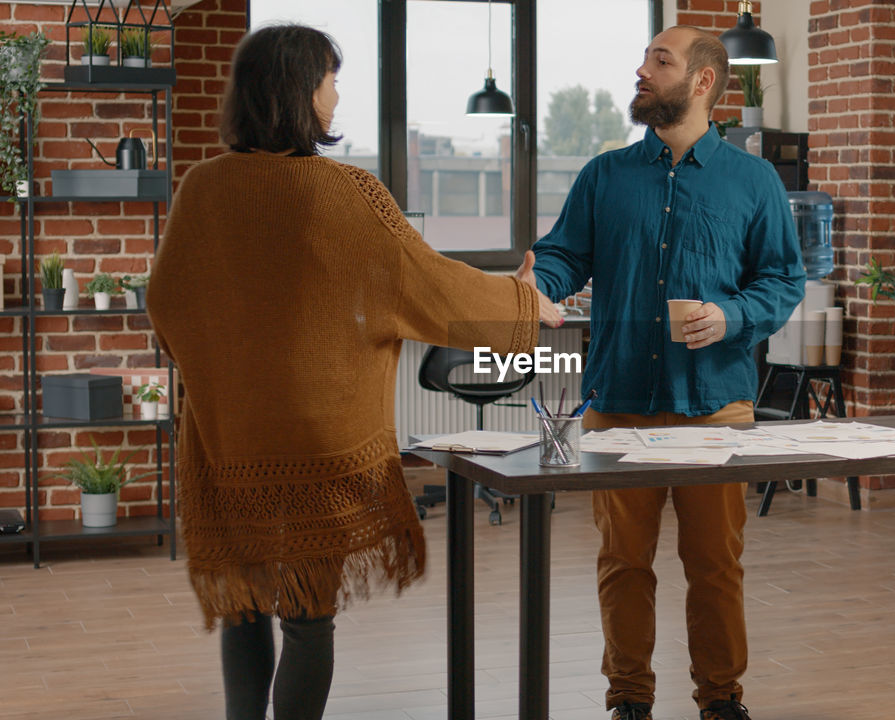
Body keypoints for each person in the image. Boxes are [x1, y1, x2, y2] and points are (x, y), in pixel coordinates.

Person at [146, 24, 560, 720]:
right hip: (319, 447)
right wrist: (523, 300)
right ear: (300, 91)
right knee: (307, 617)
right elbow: (428, 286)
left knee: (243, 606)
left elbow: (168, 303)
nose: (337, 94)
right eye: (330, 80)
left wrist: (231, 366)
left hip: (228, 440)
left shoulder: (202, 188)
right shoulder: (347, 195)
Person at [522, 25, 805, 720]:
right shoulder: (604, 176)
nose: (642, 70)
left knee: (714, 567)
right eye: (647, 58)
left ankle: (720, 699)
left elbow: (782, 280)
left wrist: (731, 316)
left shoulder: (754, 181)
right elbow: (563, 257)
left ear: (703, 81)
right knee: (623, 564)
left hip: (715, 407)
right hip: (617, 402)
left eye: (660, 60)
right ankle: (629, 699)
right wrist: (538, 284)